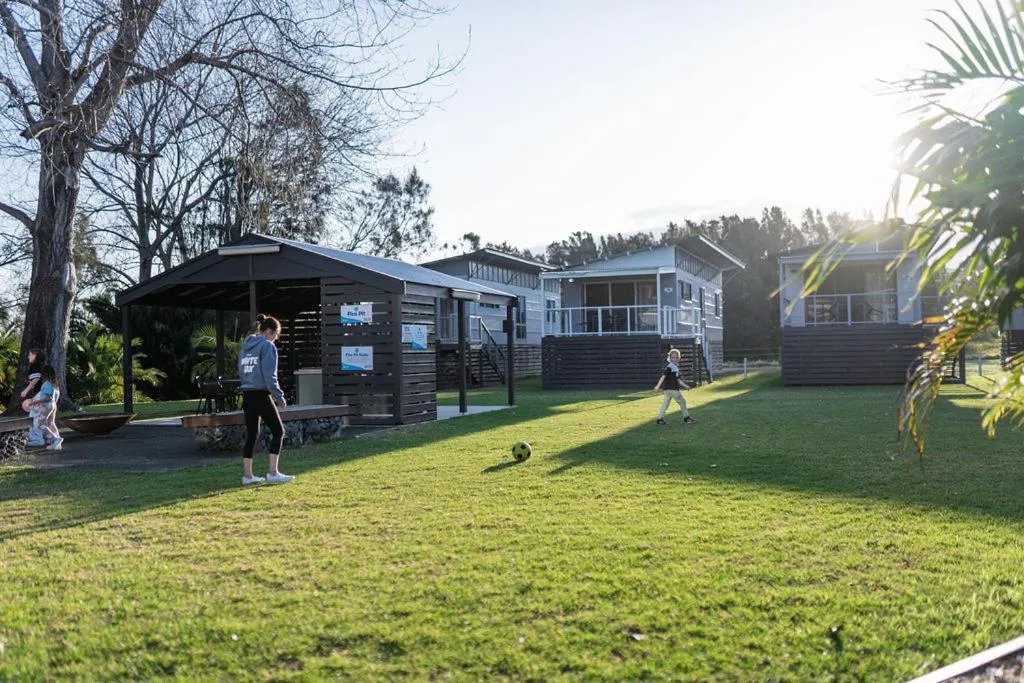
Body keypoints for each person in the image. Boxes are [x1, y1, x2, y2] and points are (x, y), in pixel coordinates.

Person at [237, 314, 293, 485]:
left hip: (246, 394)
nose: (276, 339)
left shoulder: (245, 346)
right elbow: (270, 376)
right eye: (275, 335)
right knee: (278, 431)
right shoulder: (267, 346)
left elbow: (241, 371)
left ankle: (247, 476)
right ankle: (273, 472)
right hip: (261, 394)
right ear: (269, 331)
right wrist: (279, 397)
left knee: (252, 434)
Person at [653, 348, 697, 425]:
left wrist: (685, 386)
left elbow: (678, 380)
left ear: (679, 358)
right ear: (669, 358)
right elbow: (663, 377)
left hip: (667, 390)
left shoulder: (673, 367)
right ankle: (687, 418)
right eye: (673, 357)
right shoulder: (671, 367)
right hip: (673, 390)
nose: (675, 359)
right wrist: (657, 386)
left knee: (665, 404)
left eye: (677, 357)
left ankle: (660, 419)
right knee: (682, 402)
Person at [29, 364, 63, 450]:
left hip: (46, 406)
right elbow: (54, 397)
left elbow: (48, 397)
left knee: (40, 424)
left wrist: (36, 402)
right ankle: (55, 441)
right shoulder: (54, 384)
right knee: (49, 423)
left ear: (44, 374)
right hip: (52, 405)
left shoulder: (47, 383)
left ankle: (55, 439)